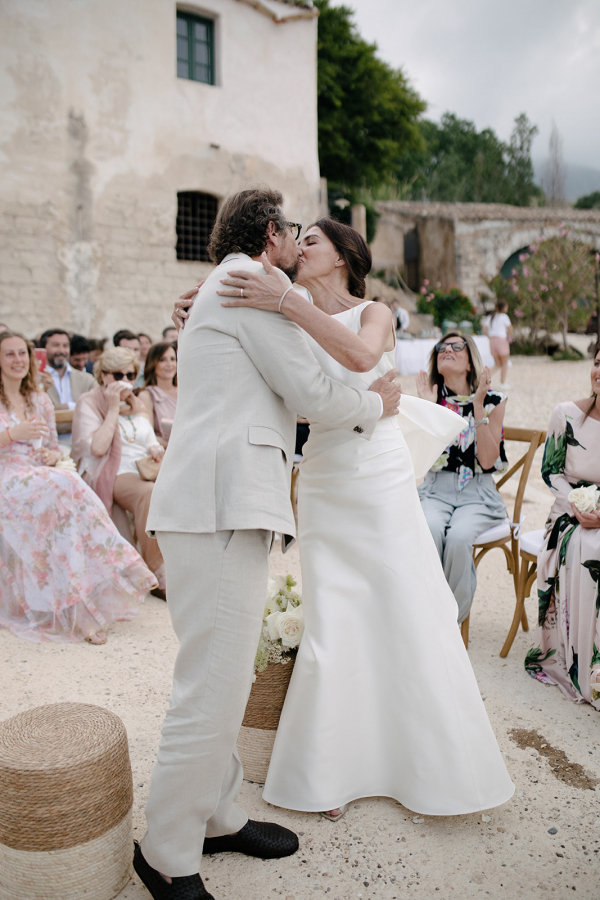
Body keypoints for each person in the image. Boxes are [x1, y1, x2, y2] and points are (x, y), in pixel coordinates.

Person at [134, 189, 401, 900]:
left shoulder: (230, 286)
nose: (297, 242)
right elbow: (311, 391)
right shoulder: (251, 286)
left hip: (217, 505)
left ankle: (219, 815)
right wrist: (379, 404)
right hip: (218, 507)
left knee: (223, 681)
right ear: (272, 234)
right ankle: (165, 852)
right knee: (210, 690)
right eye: (292, 231)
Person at [211, 218, 514, 823]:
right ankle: (331, 771)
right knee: (335, 612)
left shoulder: (373, 311)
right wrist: (210, 300)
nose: (299, 247)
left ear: (343, 256)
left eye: (312, 241)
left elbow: (360, 354)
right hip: (322, 472)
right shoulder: (284, 309)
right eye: (295, 239)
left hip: (376, 470)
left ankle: (427, 766)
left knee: (401, 599)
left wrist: (288, 301)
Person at [0, 332, 156, 644]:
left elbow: (54, 449)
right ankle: (87, 600)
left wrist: (50, 455)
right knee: (65, 485)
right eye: (9, 354)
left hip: (38, 475)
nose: (18, 360)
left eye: (22, 354)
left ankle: (83, 601)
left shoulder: (39, 399)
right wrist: (12, 434)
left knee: (66, 496)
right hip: (7, 475)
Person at [415, 333, 508, 625]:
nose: (447, 350)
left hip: (477, 495)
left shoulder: (493, 400)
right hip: (435, 489)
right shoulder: (432, 399)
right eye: (442, 347)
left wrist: (477, 405)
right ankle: (423, 612)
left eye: (457, 346)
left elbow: (488, 461)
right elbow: (421, 460)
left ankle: (449, 622)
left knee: (457, 537)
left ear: (470, 362)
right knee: (428, 529)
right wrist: (428, 411)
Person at [525, 347, 600, 709]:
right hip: (569, 510)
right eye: (598, 363)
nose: (599, 371)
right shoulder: (566, 415)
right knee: (590, 548)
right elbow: (550, 472)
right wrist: (580, 504)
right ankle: (586, 666)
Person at [71, 346, 166, 599]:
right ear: (103, 375)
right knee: (150, 493)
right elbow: (98, 448)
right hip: (110, 471)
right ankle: (156, 569)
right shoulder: (89, 401)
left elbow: (147, 439)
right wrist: (112, 408)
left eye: (131, 374)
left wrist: (157, 449)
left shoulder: (136, 403)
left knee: (183, 486)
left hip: (145, 468)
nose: (125, 381)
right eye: (118, 375)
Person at [39, 328, 95, 437]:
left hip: (83, 437)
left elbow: (98, 403)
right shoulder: (35, 379)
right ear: (43, 348)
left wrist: (63, 407)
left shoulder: (86, 379)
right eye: (56, 345)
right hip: (48, 441)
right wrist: (71, 406)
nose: (61, 350)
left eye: (65, 346)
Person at [139, 342, 177, 447]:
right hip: (164, 453)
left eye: (173, 359)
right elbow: (147, 434)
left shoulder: (185, 392)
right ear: (153, 363)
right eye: (162, 360)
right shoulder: (147, 395)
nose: (169, 364)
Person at [482, 300, 513, 389]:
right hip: (501, 340)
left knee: (497, 364)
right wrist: (507, 336)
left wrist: (490, 337)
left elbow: (484, 331)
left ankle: (483, 379)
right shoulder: (504, 317)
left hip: (492, 341)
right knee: (504, 363)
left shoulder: (490, 317)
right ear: (503, 308)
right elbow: (510, 329)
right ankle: (502, 383)